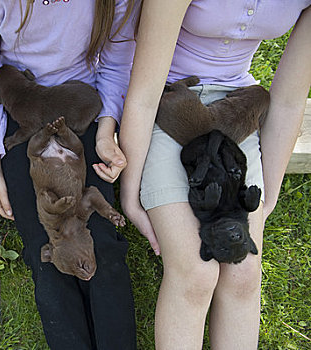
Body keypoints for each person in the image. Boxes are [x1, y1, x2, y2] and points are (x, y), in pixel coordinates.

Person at [119, 1, 311, 348]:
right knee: (196, 272)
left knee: (243, 274)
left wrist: (268, 193)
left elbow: (288, 102)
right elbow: (145, 95)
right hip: (170, 102)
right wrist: (129, 195)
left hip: (236, 109)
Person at [0, 0, 139, 348]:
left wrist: (105, 132)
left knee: (102, 244)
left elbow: (117, 64)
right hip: (22, 116)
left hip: (79, 107)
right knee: (47, 252)